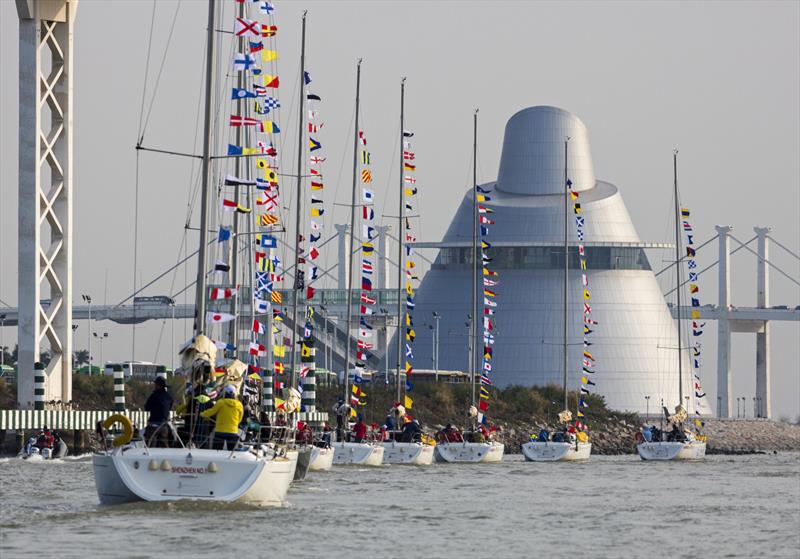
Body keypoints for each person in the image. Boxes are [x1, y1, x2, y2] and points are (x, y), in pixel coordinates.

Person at [200, 384, 244, 450]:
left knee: (217, 451)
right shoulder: (239, 404)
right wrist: (235, 424)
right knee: (232, 452)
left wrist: (202, 414)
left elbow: (212, 411)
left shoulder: (221, 402)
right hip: (233, 431)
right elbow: (240, 418)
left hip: (220, 431)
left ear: (225, 393)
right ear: (234, 394)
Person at [144, 376, 173, 447]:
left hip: (153, 425)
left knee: (151, 446)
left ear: (158, 385)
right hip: (164, 426)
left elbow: (146, 407)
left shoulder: (154, 396)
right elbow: (169, 407)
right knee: (163, 447)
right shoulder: (168, 397)